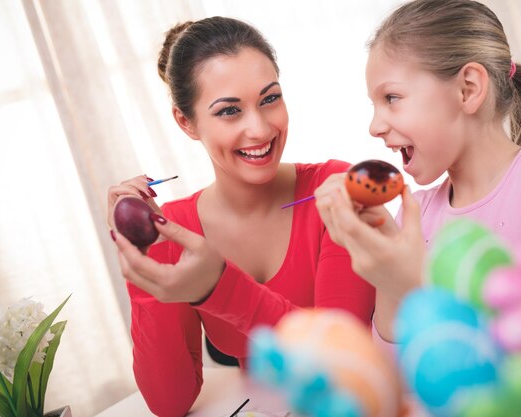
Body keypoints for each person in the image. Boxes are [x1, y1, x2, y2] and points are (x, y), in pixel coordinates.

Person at [107, 17, 375, 417]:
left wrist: (219, 286)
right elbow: (169, 402)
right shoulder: (173, 229)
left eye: (270, 99)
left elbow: (341, 367)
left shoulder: (336, 187)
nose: (260, 128)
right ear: (186, 122)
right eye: (230, 111)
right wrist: (143, 258)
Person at [313, 0, 521, 345]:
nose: (375, 126)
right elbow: (397, 379)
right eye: (375, 105)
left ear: (467, 88)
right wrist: (388, 275)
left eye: (392, 97)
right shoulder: (417, 213)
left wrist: (417, 286)